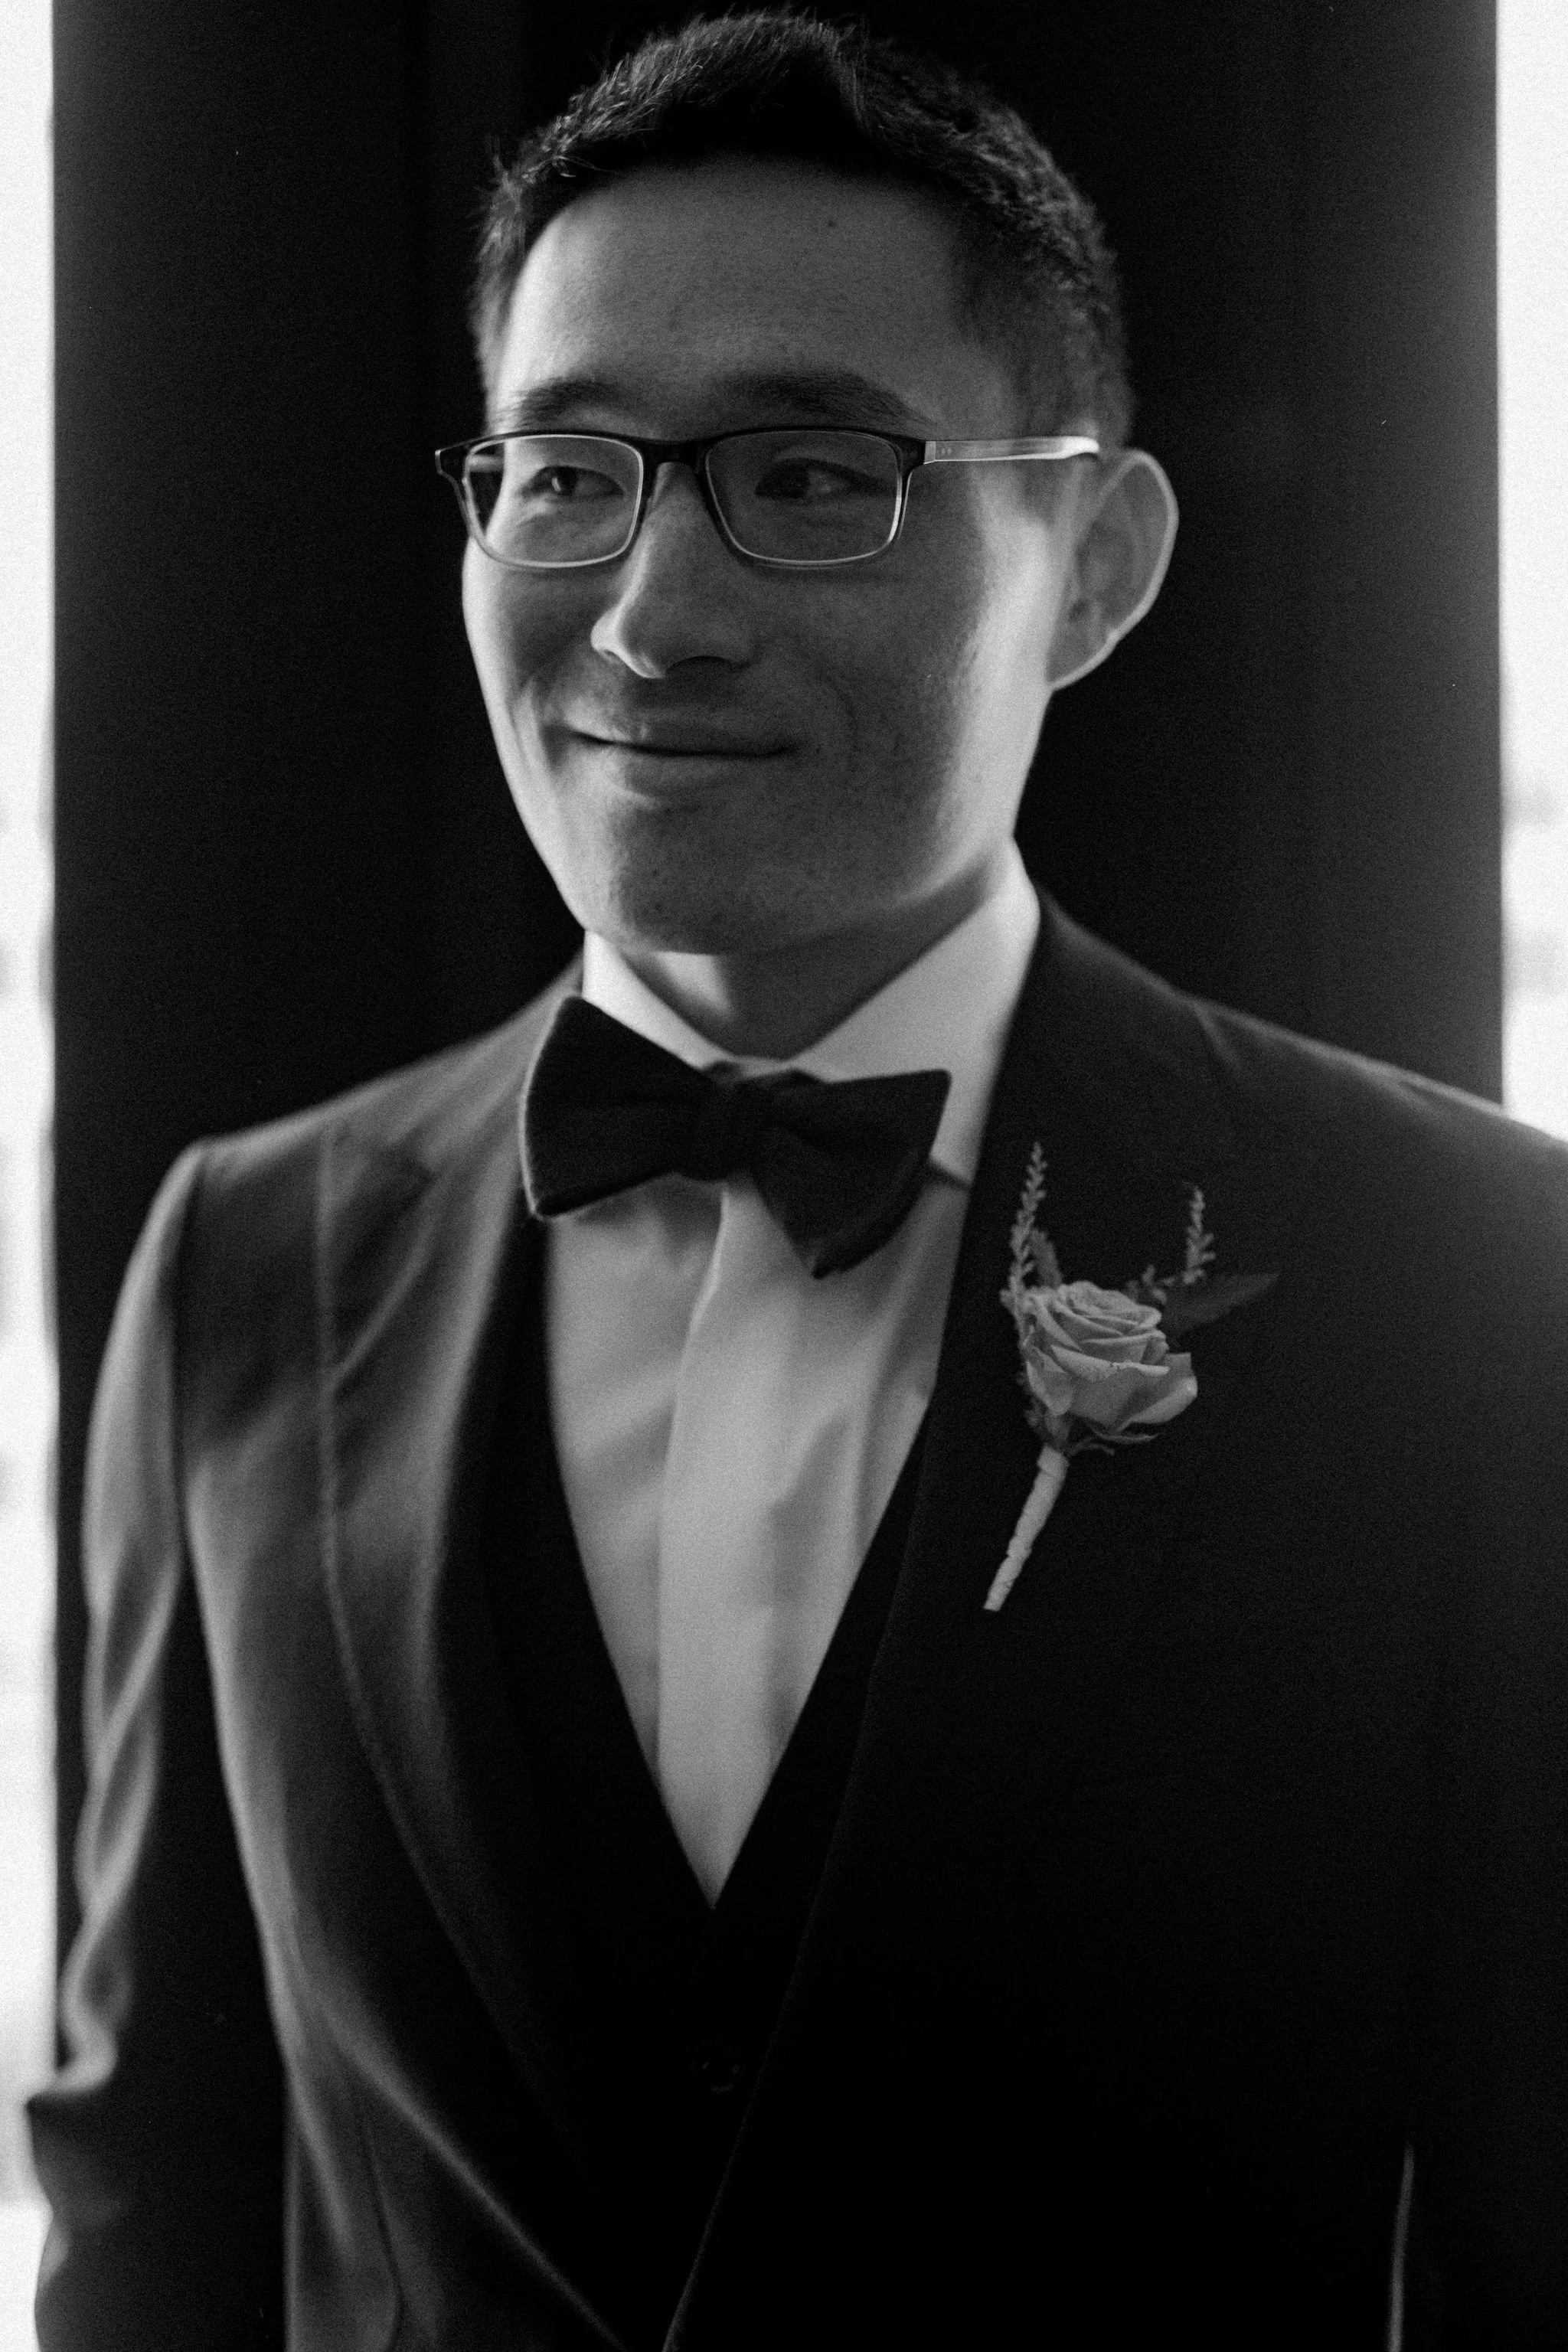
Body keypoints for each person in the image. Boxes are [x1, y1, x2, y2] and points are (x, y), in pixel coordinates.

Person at [28, 11, 1568, 2347]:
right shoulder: (245, 1257)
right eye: (564, 474)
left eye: (815, 474)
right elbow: (157, 2204)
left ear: (1096, 565)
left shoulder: (1469, 1285)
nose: (653, 615)